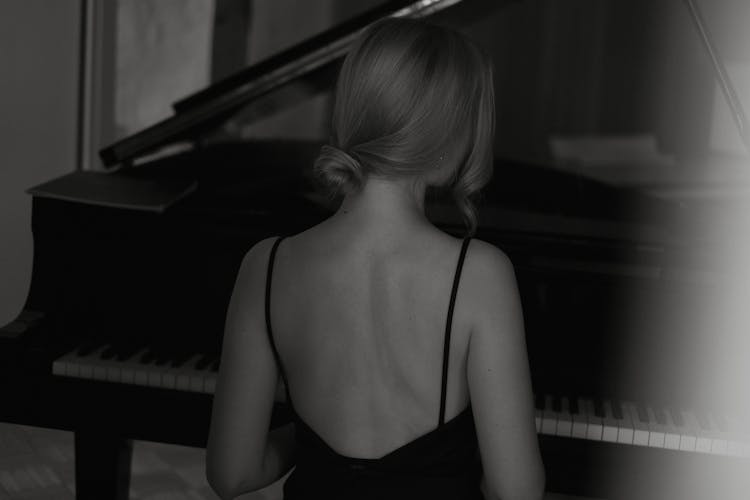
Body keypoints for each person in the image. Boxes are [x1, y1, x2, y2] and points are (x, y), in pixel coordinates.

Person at [206, 17, 544, 500]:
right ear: (451, 136)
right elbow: (517, 492)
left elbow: (231, 474)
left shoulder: (266, 264)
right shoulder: (480, 274)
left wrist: (314, 441)